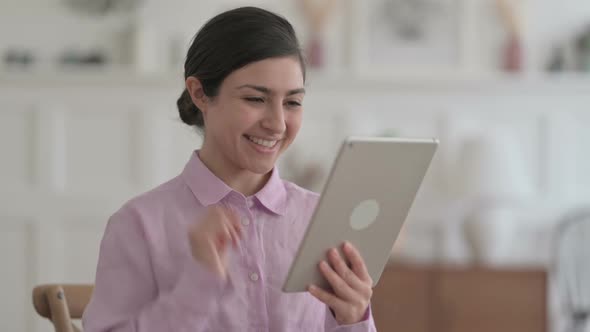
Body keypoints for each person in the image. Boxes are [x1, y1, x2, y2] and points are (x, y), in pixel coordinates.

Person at [82, 6, 376, 332]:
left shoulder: (321, 219)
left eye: (292, 102)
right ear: (199, 94)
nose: (277, 123)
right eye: (255, 99)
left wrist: (354, 320)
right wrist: (197, 287)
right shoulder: (138, 225)